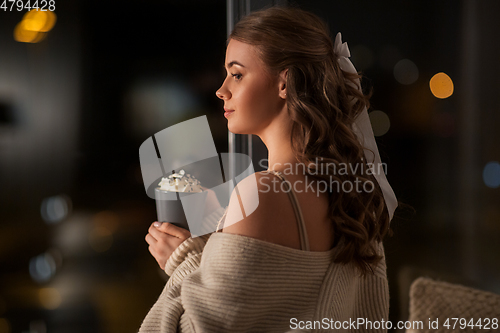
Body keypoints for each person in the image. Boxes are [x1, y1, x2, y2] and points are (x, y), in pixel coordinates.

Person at [140, 5, 397, 333]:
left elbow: (196, 328)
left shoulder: (260, 192)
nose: (221, 90)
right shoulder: (351, 192)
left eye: (237, 74)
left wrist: (181, 260)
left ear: (284, 83)